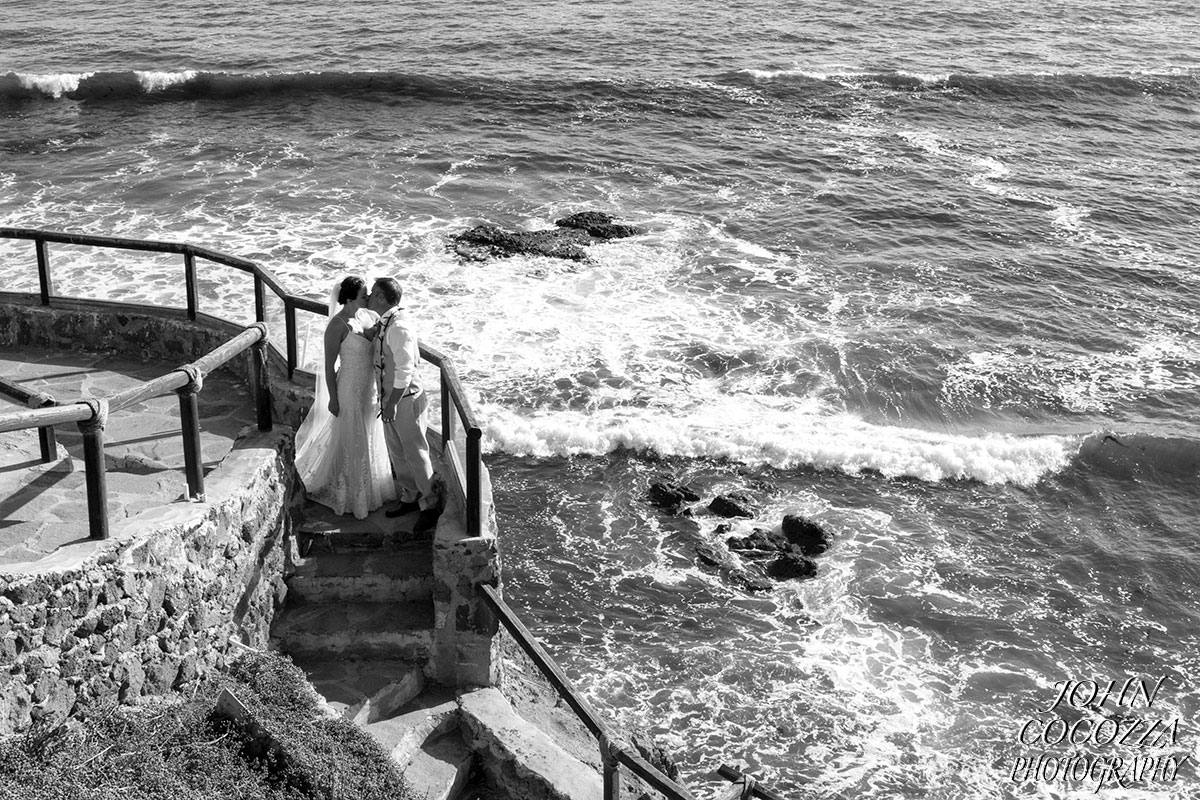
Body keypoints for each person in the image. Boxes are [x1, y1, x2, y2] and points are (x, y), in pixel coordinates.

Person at [294, 276, 397, 518]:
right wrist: (333, 398)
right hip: (349, 389)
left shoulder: (365, 318)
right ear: (350, 297)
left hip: (368, 389)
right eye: (364, 293)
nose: (368, 296)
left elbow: (377, 338)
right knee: (353, 439)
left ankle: (367, 489)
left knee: (368, 436)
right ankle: (351, 495)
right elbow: (329, 366)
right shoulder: (336, 325)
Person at [367, 277, 440, 534]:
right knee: (398, 450)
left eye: (373, 292)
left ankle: (430, 504)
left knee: (415, 452)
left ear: (381, 297)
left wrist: (392, 404)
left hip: (405, 400)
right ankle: (410, 496)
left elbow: (405, 371)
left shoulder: (399, 327)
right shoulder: (385, 322)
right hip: (391, 399)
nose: (368, 295)